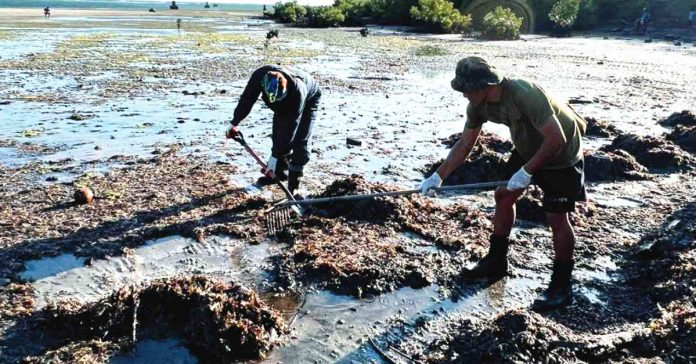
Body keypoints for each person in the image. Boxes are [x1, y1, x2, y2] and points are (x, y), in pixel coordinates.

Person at [420, 57, 587, 311]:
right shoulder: (477, 104)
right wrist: (439, 176)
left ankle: (562, 286)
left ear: (485, 84)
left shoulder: (523, 93)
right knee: (503, 196)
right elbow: (465, 144)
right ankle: (497, 262)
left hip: (561, 152)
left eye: (467, 88)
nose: (464, 94)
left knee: (556, 216)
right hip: (527, 146)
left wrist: (527, 172)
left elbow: (556, 139)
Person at [225, 65, 321, 193]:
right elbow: (247, 98)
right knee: (278, 137)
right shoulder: (260, 75)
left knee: (300, 142)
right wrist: (235, 122)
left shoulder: (298, 91)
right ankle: (279, 175)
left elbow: (290, 130)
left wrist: (274, 157)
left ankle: (293, 187)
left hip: (309, 99)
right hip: (283, 104)